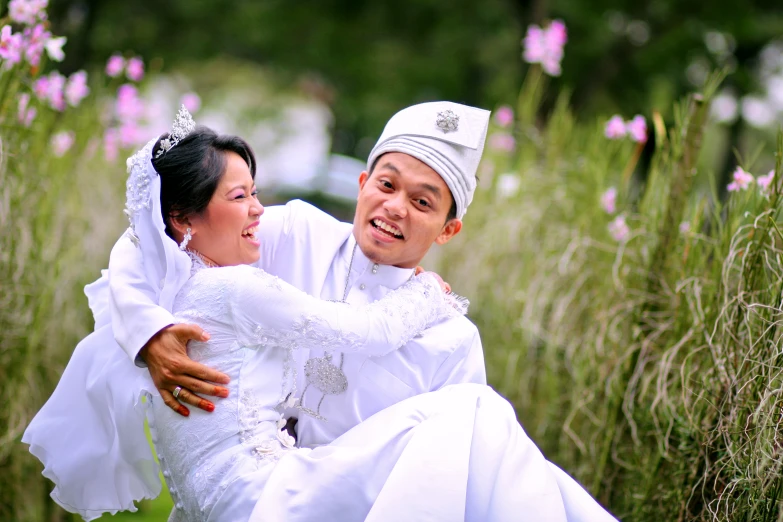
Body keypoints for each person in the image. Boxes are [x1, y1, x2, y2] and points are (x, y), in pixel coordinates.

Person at [23, 108, 614, 521]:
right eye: (386, 184)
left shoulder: (453, 339)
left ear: (449, 228)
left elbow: (460, 487)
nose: (394, 208)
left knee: (478, 421)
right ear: (362, 183)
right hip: (257, 499)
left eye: (423, 201)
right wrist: (146, 332)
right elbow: (151, 236)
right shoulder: (292, 233)